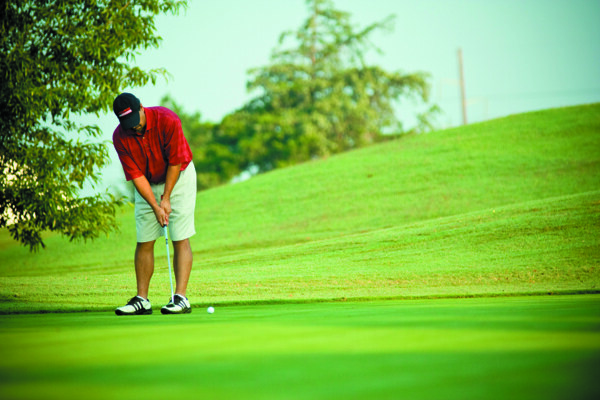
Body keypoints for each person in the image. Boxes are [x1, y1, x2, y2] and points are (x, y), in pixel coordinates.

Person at [111, 92, 197, 315]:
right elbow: (136, 176)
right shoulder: (120, 136)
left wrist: (166, 198)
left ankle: (180, 298)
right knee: (145, 239)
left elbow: (176, 161)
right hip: (146, 184)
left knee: (179, 236)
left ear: (141, 107)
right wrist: (155, 206)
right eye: (126, 124)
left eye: (135, 121)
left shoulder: (168, 120)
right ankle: (142, 300)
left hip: (178, 178)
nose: (133, 128)